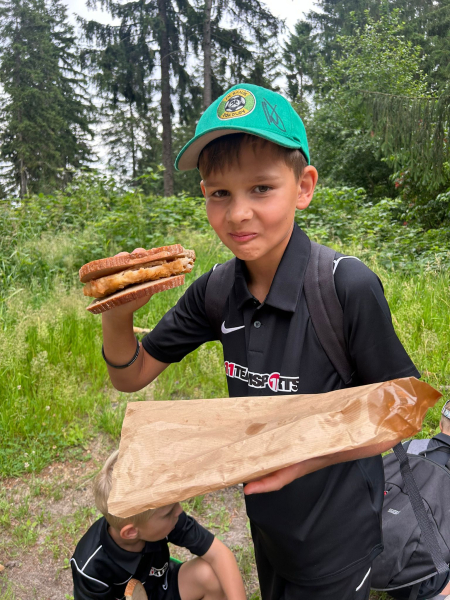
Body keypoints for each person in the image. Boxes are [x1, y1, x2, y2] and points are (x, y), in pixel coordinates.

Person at [99, 83, 420, 600]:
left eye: (261, 188)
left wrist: (305, 461)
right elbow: (131, 376)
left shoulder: (344, 286)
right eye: (219, 193)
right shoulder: (216, 290)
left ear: (304, 186)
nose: (238, 213)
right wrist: (117, 318)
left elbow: (403, 411)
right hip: (269, 526)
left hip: (338, 534)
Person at [71, 450, 246, 600]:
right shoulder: (90, 568)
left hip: (163, 586)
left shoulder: (168, 519)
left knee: (210, 575)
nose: (179, 511)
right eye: (168, 512)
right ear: (131, 532)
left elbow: (219, 554)